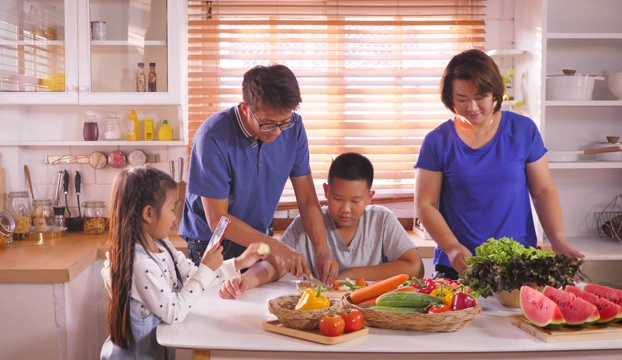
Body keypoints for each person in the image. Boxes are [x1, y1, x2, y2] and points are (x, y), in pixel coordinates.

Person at [414, 48, 584, 280]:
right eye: (462, 99)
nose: (472, 108)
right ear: (450, 98)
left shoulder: (523, 130)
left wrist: (558, 239)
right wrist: (451, 246)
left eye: (480, 97)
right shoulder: (437, 141)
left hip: (518, 264)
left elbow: (543, 191)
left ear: (495, 94)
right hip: (459, 264)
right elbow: (425, 204)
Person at [179, 64, 339, 283]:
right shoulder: (212, 137)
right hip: (212, 244)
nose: (276, 131)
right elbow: (218, 219)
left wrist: (323, 253)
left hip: (260, 237)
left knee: (256, 307)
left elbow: (308, 199)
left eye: (283, 122)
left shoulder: (294, 127)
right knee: (216, 311)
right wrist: (277, 247)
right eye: (267, 124)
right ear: (245, 109)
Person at [100, 166, 267, 359]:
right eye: (171, 208)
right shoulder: (140, 264)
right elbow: (173, 313)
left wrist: (239, 262)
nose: (174, 217)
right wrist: (205, 269)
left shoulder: (163, 245)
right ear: (148, 214)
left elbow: (193, 276)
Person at [219, 152, 424, 299]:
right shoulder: (308, 224)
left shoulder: (382, 220)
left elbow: (415, 267)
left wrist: (351, 274)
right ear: (326, 192)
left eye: (355, 201)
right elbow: (273, 265)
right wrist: (246, 280)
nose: (345, 209)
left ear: (370, 198)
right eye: (337, 198)